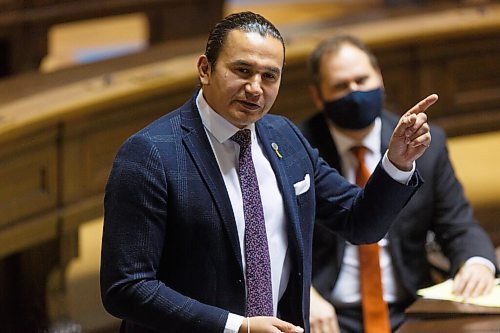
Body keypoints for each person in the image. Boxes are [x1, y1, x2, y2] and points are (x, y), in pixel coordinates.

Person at [100, 12, 438, 333]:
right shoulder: (150, 155)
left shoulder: (286, 138)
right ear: (205, 68)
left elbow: (360, 222)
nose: (255, 88)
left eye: (269, 75)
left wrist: (397, 163)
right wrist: (237, 327)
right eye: (242, 70)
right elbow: (127, 287)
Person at [300, 35, 498, 333]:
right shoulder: (297, 150)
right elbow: (275, 242)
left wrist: (477, 262)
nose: (354, 92)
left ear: (379, 76)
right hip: (328, 314)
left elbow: (457, 224)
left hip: (411, 308)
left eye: (361, 80)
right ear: (318, 95)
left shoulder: (423, 145)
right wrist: (305, 296)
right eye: (341, 86)